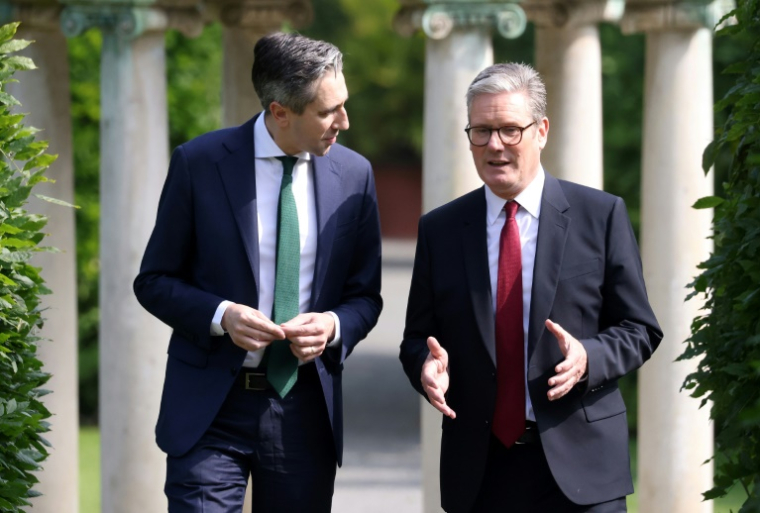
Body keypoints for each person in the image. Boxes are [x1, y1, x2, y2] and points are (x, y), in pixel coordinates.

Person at [134, 32, 382, 512]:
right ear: (280, 111)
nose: (344, 123)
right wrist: (221, 314)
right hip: (211, 410)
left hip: (305, 409)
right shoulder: (199, 163)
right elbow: (154, 281)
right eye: (328, 112)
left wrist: (333, 326)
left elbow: (365, 298)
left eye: (343, 105)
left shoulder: (355, 176)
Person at [399, 62, 662, 512]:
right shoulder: (440, 229)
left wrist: (588, 357)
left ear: (541, 130)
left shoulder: (601, 216)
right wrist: (426, 368)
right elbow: (415, 339)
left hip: (583, 465)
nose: (494, 145)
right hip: (481, 470)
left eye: (509, 130)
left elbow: (640, 328)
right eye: (480, 131)